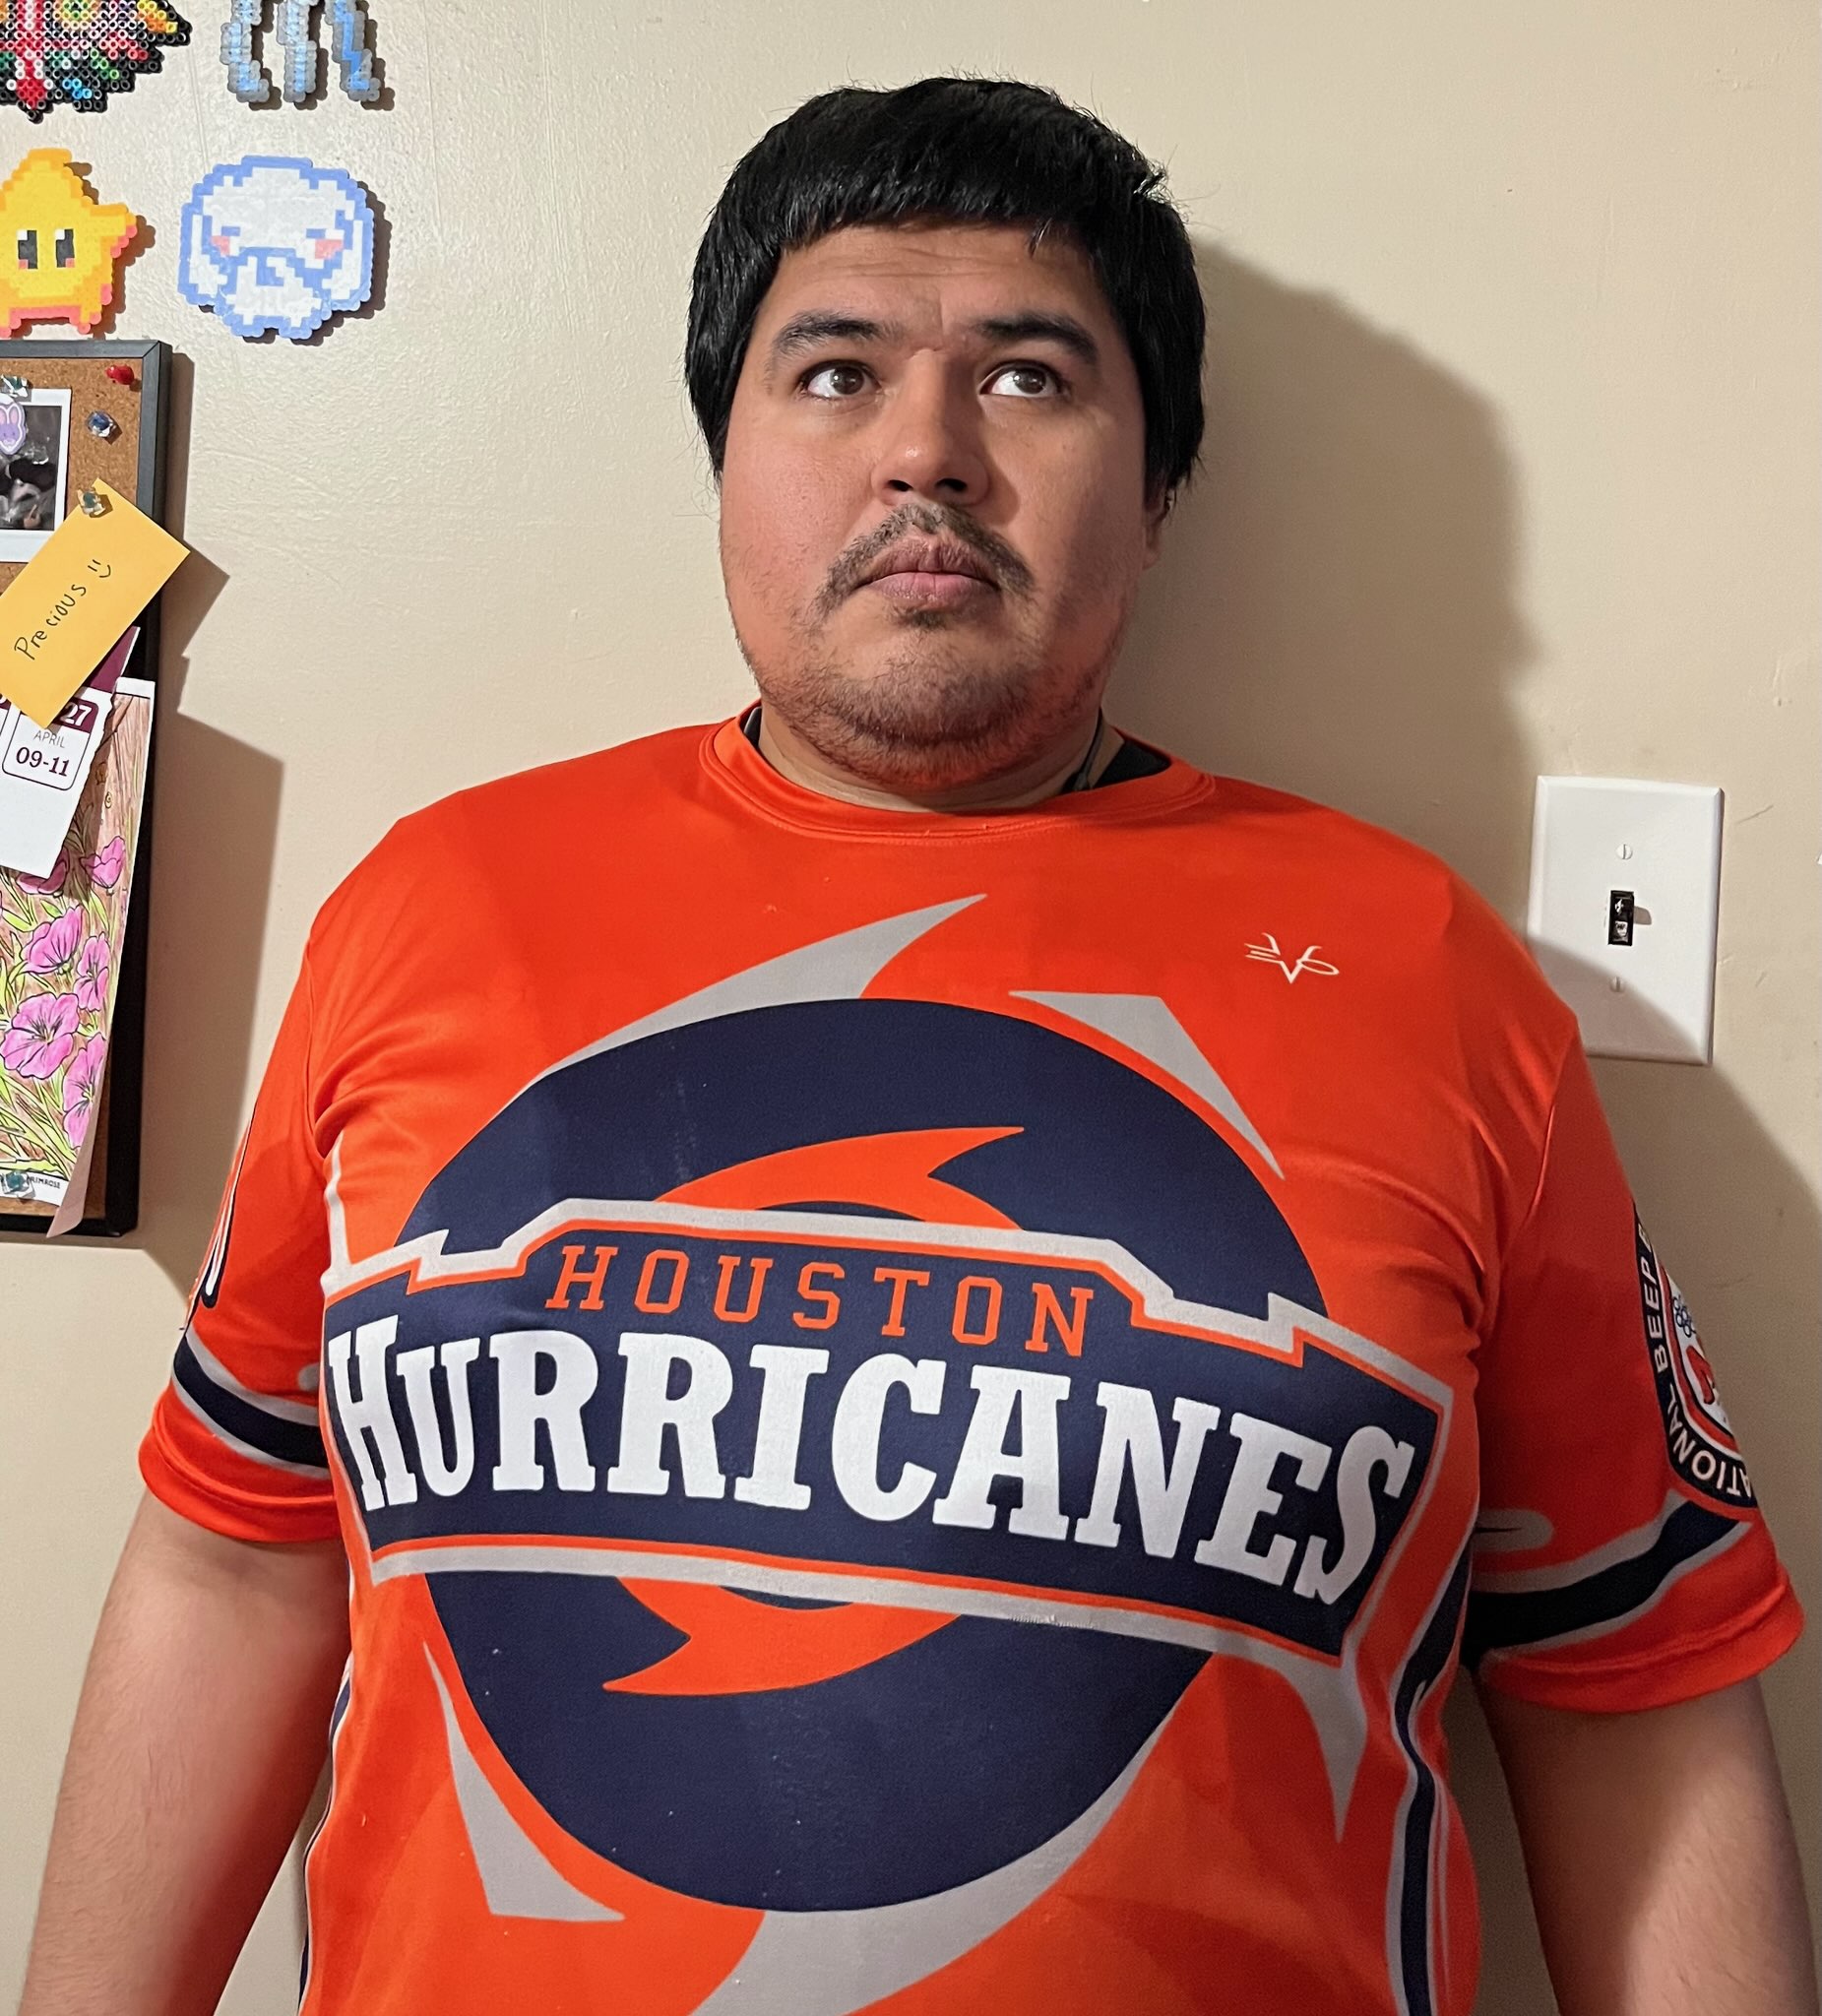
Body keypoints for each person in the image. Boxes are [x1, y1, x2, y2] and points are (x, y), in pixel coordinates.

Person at [19, 78, 1814, 2016]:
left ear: (1159, 483)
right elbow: (236, 1557)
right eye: (833, 371)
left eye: (1029, 376)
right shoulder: (432, 910)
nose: (924, 457)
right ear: (723, 450)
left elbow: (1626, 1686)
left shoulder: (1424, 972)